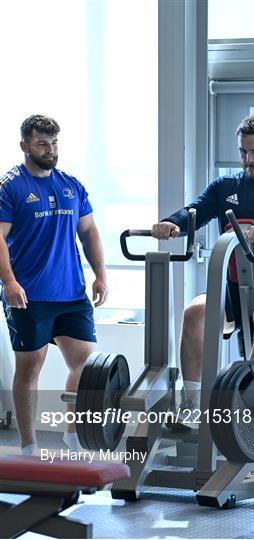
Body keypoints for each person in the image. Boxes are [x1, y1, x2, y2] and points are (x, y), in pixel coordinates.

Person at [152, 114, 254, 423]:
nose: (248, 160)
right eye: (243, 152)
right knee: (195, 313)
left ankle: (247, 401)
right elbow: (196, 210)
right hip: (235, 289)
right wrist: (172, 223)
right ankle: (193, 404)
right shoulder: (225, 187)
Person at [0, 114, 108, 454]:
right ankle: (29, 445)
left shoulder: (71, 184)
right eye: (42, 143)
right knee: (30, 368)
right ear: (24, 146)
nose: (50, 150)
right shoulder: (10, 187)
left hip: (71, 294)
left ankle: (72, 436)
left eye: (54, 143)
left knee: (85, 364)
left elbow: (88, 231)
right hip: (28, 296)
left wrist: (100, 274)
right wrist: (9, 282)